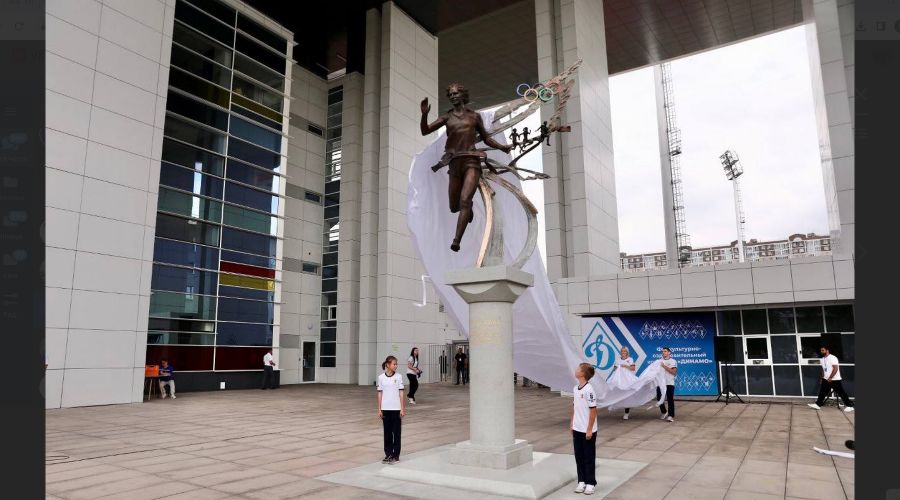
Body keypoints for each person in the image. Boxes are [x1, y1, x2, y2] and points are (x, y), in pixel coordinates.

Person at [420, 84, 513, 252]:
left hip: (471, 161)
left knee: (464, 200)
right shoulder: (447, 117)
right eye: (450, 94)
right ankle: (468, 210)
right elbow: (425, 131)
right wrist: (424, 114)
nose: (453, 96)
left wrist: (502, 147)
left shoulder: (474, 116)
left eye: (456, 93)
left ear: (463, 95)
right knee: (454, 207)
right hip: (454, 163)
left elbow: (486, 138)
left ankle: (456, 241)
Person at [571, 362, 598, 495]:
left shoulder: (589, 389)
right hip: (577, 428)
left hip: (587, 430)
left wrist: (589, 429)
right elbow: (575, 408)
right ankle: (581, 481)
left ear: (582, 373)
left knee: (588, 457)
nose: (576, 370)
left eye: (578, 368)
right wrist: (572, 423)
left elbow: (593, 411)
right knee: (579, 456)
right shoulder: (575, 388)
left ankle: (590, 483)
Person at [808, 345, 854, 412]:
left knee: (841, 393)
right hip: (825, 379)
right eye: (821, 350)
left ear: (827, 350)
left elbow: (835, 368)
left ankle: (850, 406)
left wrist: (830, 377)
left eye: (823, 350)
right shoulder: (822, 359)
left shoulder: (832, 358)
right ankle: (818, 405)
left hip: (835, 379)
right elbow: (823, 369)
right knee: (822, 392)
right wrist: (822, 378)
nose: (821, 351)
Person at [377, 355, 405, 464]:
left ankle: (396, 456)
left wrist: (402, 408)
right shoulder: (381, 378)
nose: (396, 366)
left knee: (396, 433)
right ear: (388, 365)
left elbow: (401, 393)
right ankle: (388, 454)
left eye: (396, 364)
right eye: (394, 364)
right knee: (387, 433)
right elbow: (380, 394)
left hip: (396, 409)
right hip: (385, 409)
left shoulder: (399, 377)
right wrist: (379, 409)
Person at [609, 347, 637, 420]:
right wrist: (616, 367)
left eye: (625, 351)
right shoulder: (618, 359)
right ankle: (613, 405)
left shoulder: (630, 359)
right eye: (622, 351)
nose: (623, 352)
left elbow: (633, 368)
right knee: (616, 392)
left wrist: (624, 366)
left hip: (627, 379)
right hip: (619, 379)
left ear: (627, 352)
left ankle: (626, 413)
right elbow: (614, 369)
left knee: (627, 395)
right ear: (620, 352)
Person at [656, 347, 677, 422]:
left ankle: (670, 415)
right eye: (662, 351)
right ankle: (664, 412)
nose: (663, 352)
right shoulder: (659, 361)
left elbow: (673, 372)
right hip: (660, 383)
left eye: (665, 351)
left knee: (670, 399)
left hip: (669, 383)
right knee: (659, 398)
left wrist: (664, 366)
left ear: (669, 352)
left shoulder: (673, 361)